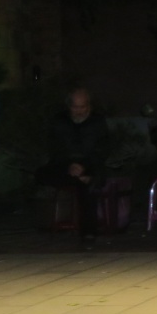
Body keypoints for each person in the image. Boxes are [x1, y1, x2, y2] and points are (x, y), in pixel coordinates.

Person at [38, 88, 110, 249]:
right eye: (75, 107)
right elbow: (54, 149)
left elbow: (102, 150)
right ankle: (83, 179)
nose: (79, 111)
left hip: (89, 166)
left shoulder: (97, 122)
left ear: (89, 106)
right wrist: (69, 165)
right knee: (44, 173)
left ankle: (89, 233)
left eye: (82, 107)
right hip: (64, 166)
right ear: (69, 106)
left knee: (89, 186)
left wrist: (83, 166)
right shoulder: (59, 121)